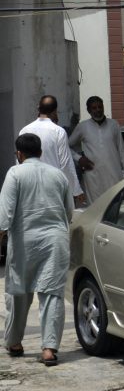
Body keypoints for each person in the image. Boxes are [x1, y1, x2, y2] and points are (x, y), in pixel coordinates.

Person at [0, 133, 73, 366]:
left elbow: (5, 213)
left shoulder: (15, 173)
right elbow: (68, 212)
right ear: (40, 152)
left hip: (24, 240)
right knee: (52, 293)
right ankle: (49, 349)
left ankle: (14, 342)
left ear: (18, 154)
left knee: (18, 292)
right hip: (55, 240)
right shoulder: (58, 175)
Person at [19, 95, 84, 208]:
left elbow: (20, 162)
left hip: (30, 190)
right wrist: (76, 191)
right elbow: (66, 165)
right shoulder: (58, 131)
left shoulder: (24, 131)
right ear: (55, 111)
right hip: (53, 190)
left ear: (38, 108)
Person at [69, 96, 124, 204]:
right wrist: (79, 158)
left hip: (114, 175)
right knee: (96, 208)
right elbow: (66, 146)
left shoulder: (113, 124)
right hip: (93, 176)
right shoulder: (82, 126)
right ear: (89, 110)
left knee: (115, 205)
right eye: (94, 108)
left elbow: (122, 150)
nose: (98, 110)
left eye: (100, 107)